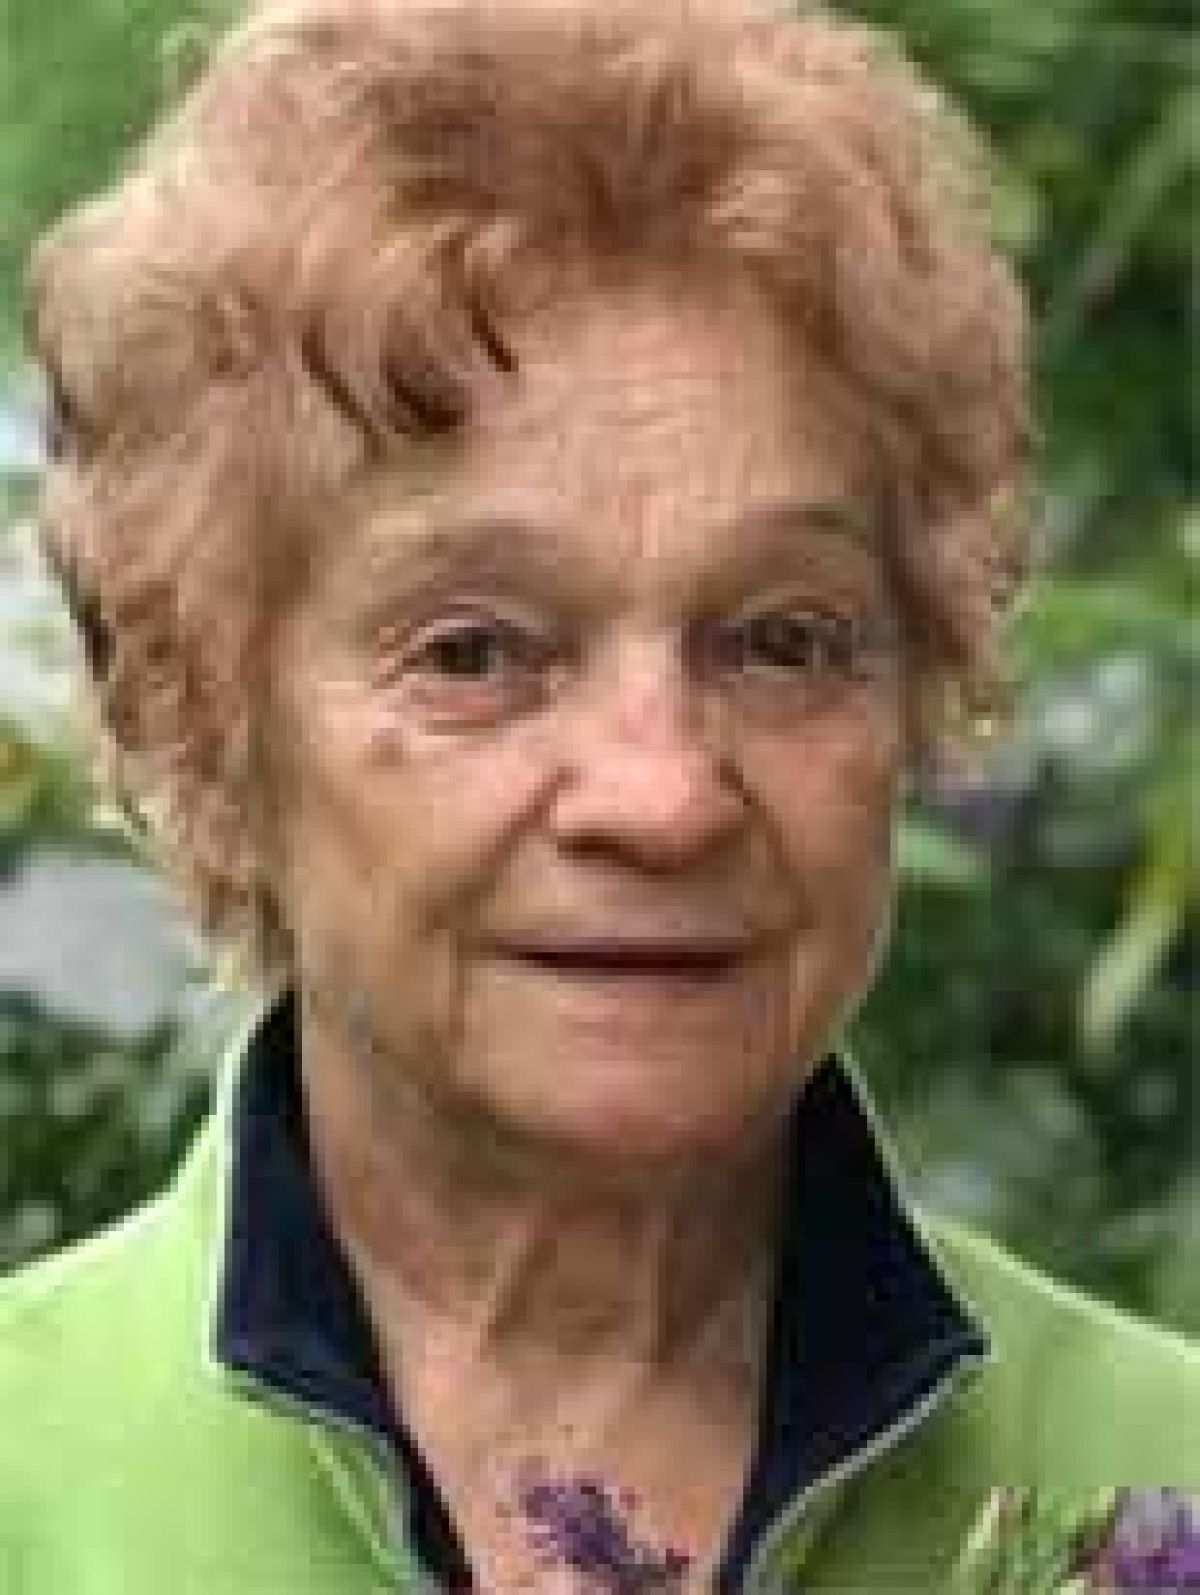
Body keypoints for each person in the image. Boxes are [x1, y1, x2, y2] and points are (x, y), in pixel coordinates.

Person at [3, 0, 1197, 1590]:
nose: (664, 795)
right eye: (475, 650)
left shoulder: (1161, 1479)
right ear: (196, 724)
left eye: (782, 639)